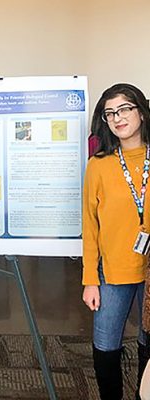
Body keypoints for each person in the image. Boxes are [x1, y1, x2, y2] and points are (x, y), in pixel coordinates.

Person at [82, 83, 150, 400]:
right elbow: (90, 225)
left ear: (141, 111)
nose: (117, 118)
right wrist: (90, 280)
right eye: (110, 113)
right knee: (105, 345)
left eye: (124, 109)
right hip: (113, 271)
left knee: (148, 343)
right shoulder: (99, 164)